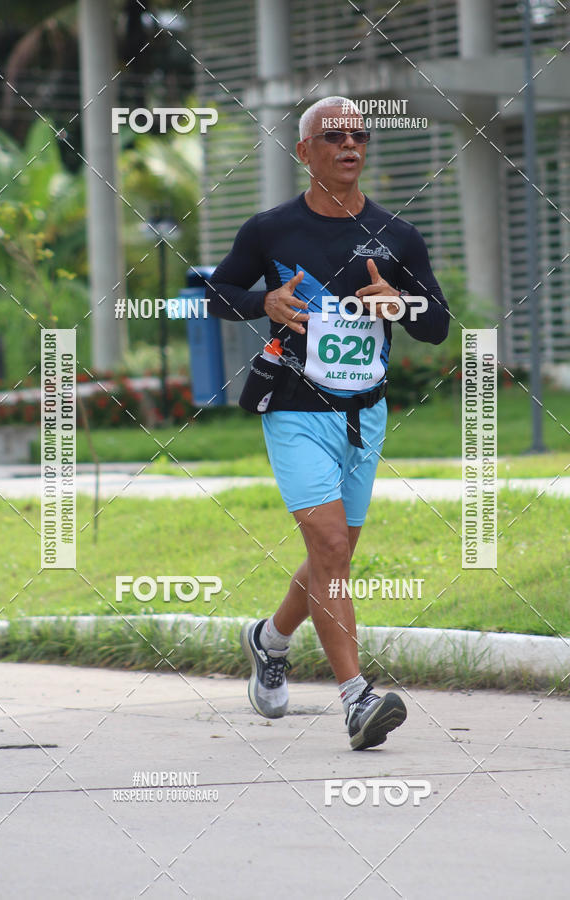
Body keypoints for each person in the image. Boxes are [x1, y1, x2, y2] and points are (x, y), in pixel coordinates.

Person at [206, 96, 449, 750]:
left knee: (330, 559)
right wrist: (264, 301)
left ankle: (269, 639)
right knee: (332, 551)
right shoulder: (270, 230)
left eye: (358, 135)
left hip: (364, 416)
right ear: (303, 151)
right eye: (332, 135)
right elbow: (218, 295)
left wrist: (401, 303)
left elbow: (437, 324)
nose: (349, 145)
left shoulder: (398, 236)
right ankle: (356, 700)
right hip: (293, 408)